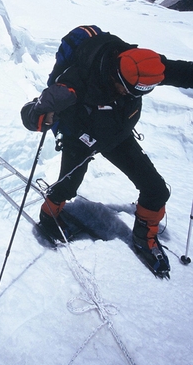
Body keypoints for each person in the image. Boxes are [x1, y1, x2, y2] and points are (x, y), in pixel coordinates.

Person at [21, 28, 193, 276]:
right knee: (68, 187)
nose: (131, 96)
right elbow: (30, 112)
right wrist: (41, 116)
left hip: (116, 136)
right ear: (116, 77)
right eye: (130, 91)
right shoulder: (78, 80)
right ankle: (49, 216)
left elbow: (183, 72)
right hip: (80, 138)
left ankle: (145, 239)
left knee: (155, 189)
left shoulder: (144, 65)